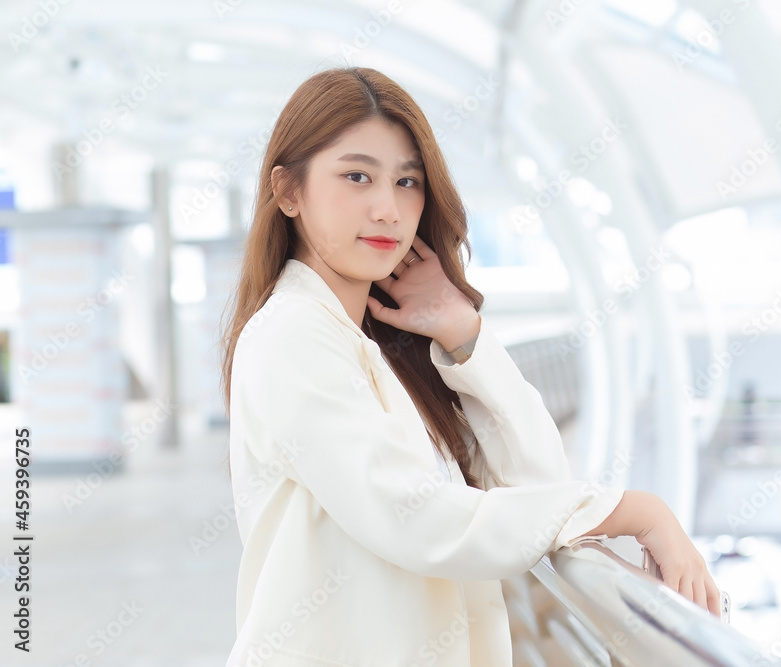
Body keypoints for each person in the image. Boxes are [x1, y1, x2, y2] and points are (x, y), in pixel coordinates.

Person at [219, 67, 719, 667]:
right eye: (357, 176)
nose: (388, 208)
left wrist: (463, 334)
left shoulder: (378, 351)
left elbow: (535, 478)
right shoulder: (291, 336)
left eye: (408, 181)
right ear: (288, 191)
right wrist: (638, 511)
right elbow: (419, 522)